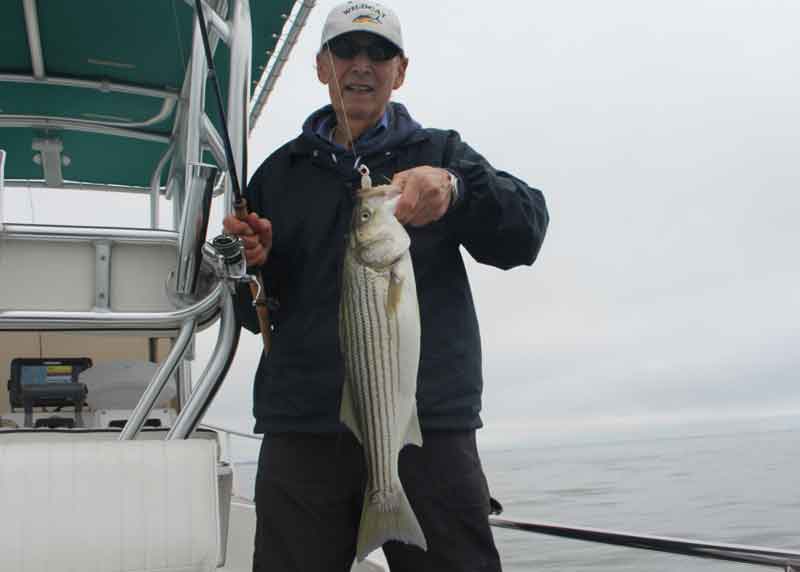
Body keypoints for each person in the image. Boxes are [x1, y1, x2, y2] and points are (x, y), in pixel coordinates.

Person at [223, 2, 549, 570]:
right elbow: (252, 316)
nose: (362, 65)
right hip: (304, 430)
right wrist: (255, 266)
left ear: (401, 71)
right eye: (346, 50)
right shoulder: (278, 175)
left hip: (428, 430)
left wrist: (456, 188)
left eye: (380, 54)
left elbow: (525, 234)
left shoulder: (441, 153)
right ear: (322, 66)